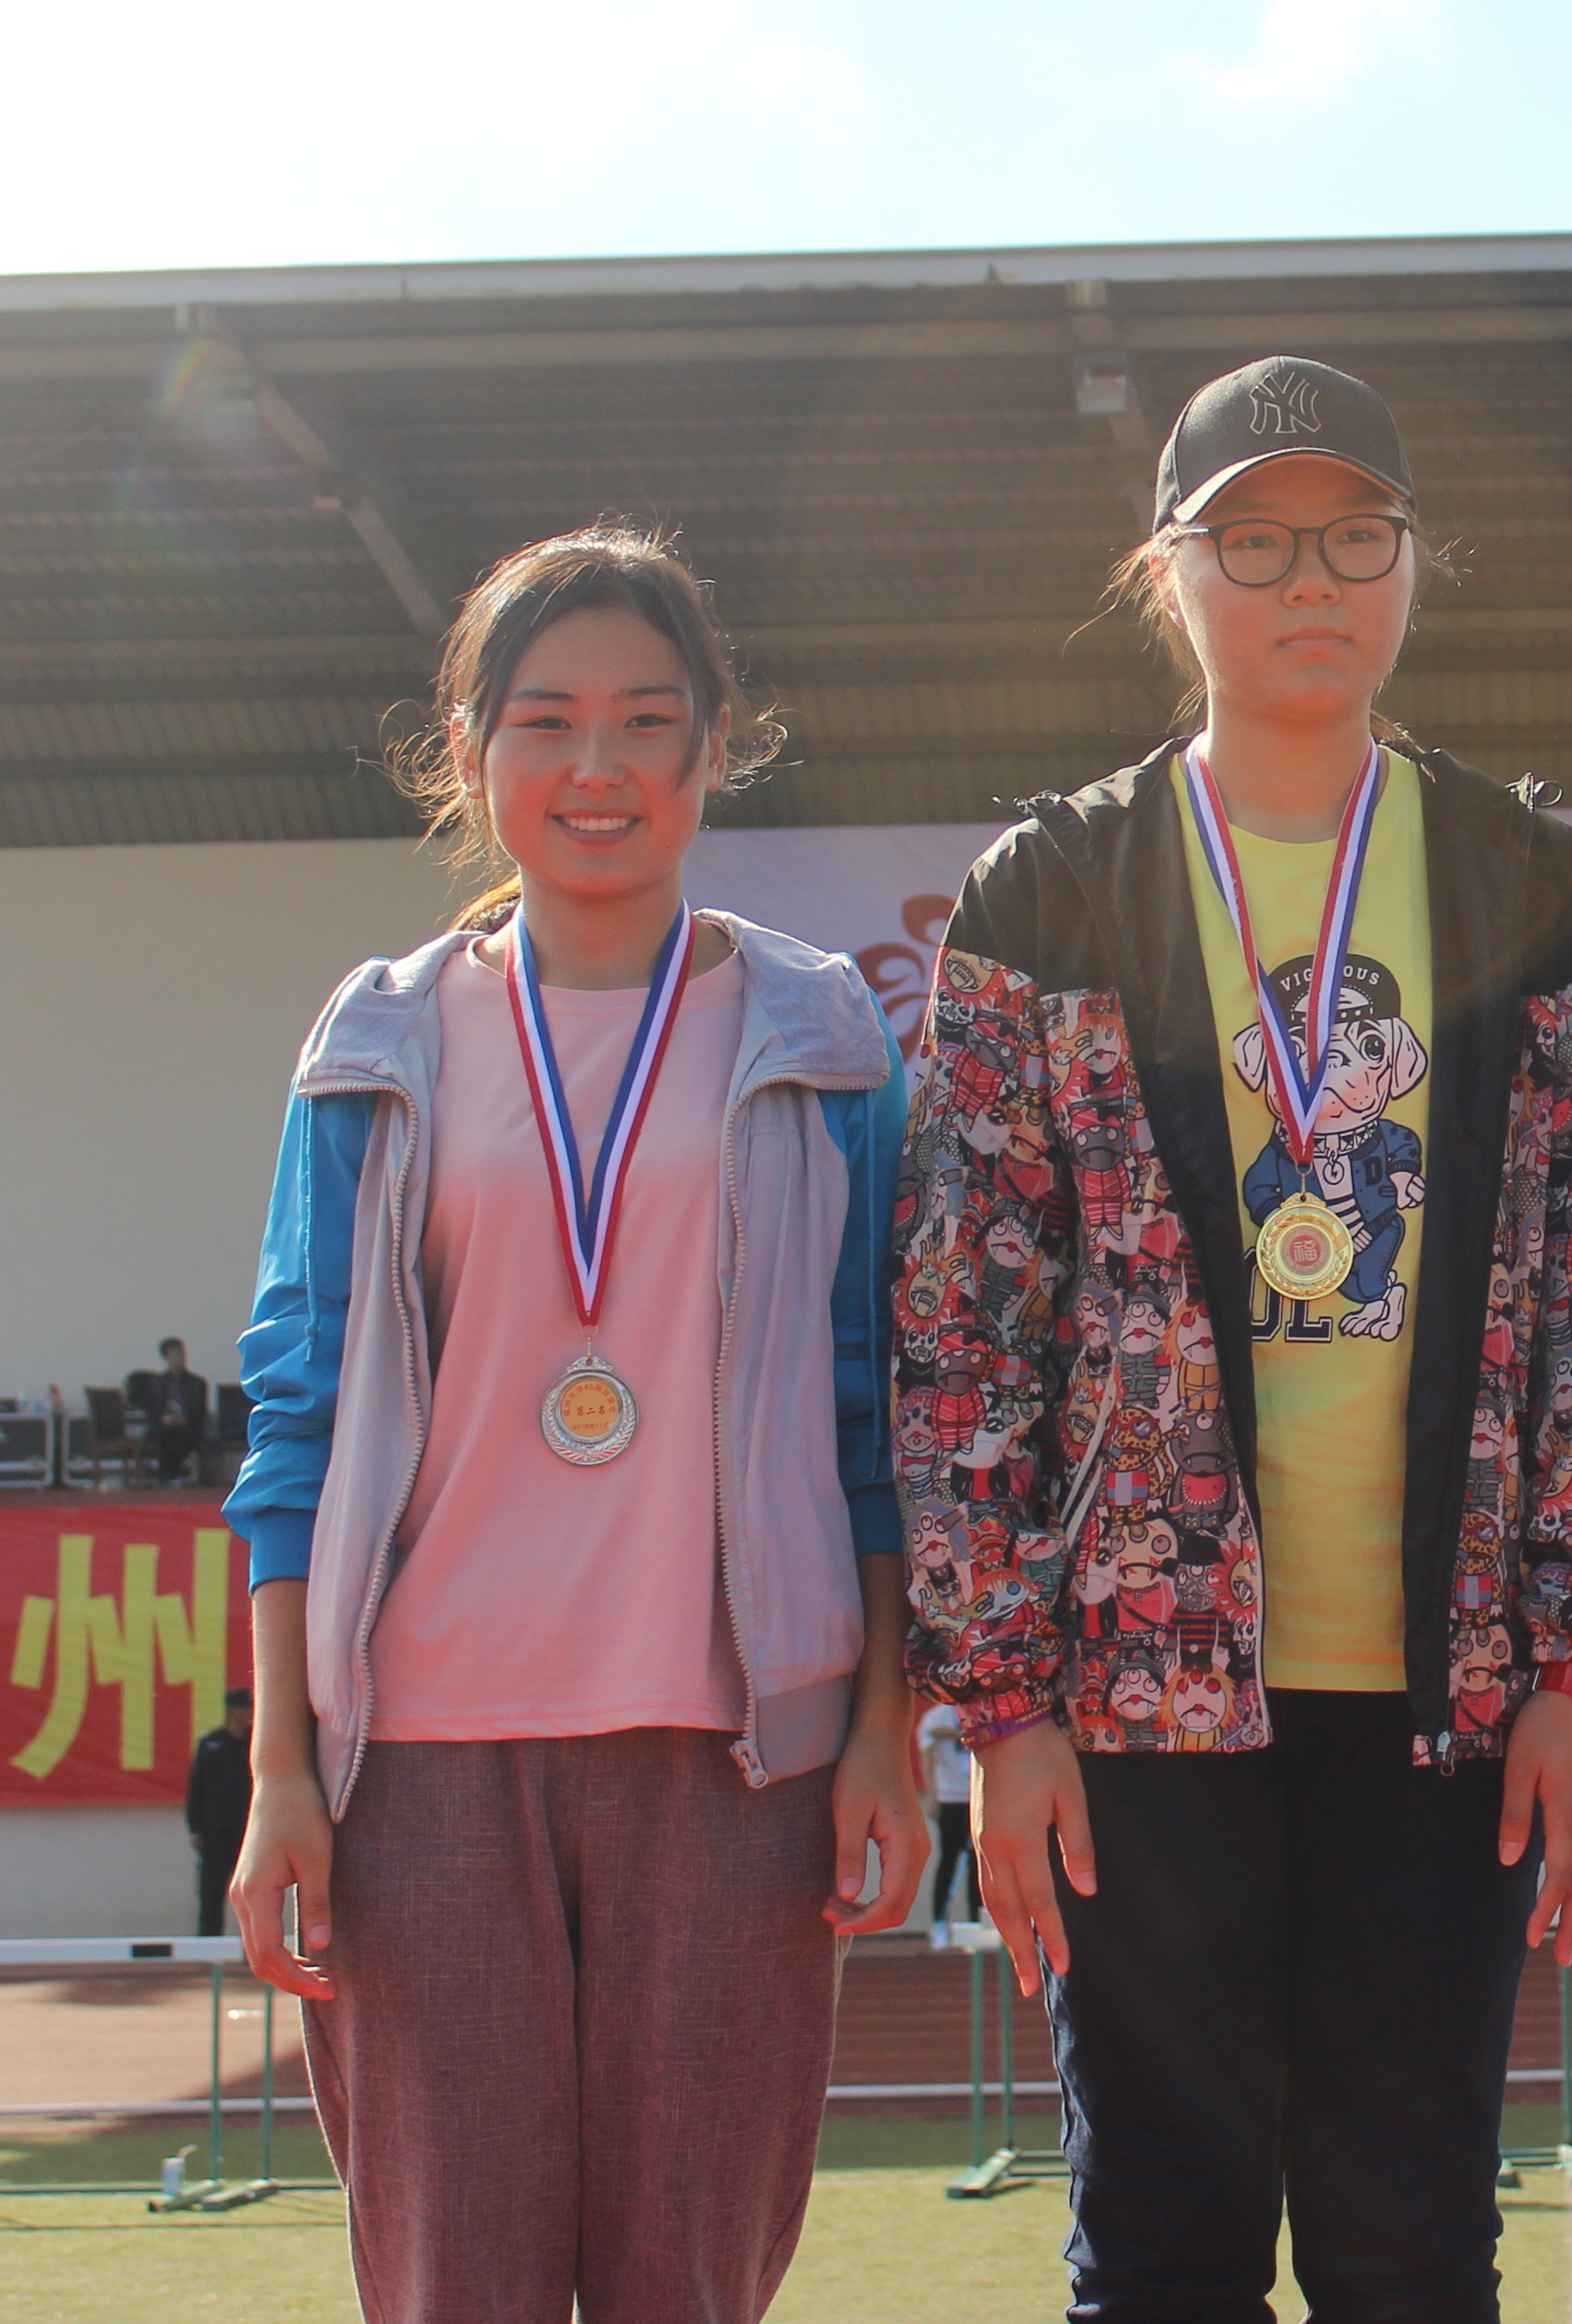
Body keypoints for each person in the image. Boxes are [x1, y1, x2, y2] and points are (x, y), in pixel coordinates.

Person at [891, 357, 1572, 2323]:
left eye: (1353, 535)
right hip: (1136, 1693)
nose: (1308, 578)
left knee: (1408, 2247)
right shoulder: (1054, 889)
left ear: (1414, 564)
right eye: (1252, 540)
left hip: (1450, 1690)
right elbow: (963, 1319)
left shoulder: (1519, 880)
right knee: (1161, 2248)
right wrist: (1001, 1703)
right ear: (1169, 571)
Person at [224, 524, 929, 2324]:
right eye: (543, 721)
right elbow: (294, 1417)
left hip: (735, 1751)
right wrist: (283, 1771)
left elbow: (877, 1406)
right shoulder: (380, 1039)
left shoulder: (824, 1035)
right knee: (455, 2286)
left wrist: (882, 1726)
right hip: (424, 1759)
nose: (594, 765)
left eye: (643, 719)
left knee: (689, 2287)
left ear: (715, 745)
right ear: (469, 754)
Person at [183, 1689, 251, 1937]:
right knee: (211, 1889)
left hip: (248, 1828)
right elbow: (197, 1788)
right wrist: (195, 1828)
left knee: (251, 1890)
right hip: (216, 1828)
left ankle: (254, 1947)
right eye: (245, 1708)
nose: (249, 1714)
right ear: (231, 1711)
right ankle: (208, 1946)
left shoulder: (256, 1741)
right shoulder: (211, 1743)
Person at [916, 1702, 973, 1928]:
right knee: (949, 1860)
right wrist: (932, 1795)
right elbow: (927, 1752)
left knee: (978, 1865)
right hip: (950, 1798)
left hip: (977, 1798)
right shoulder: (936, 1717)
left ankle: (977, 1922)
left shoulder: (982, 1711)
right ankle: (939, 1922)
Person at [136, 1336, 217, 1485]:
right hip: (164, 1426)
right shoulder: (156, 1384)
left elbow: (200, 1410)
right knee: (161, 1436)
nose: (180, 1357)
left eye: (181, 1353)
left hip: (188, 1426)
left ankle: (167, 1477)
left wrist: (184, 1419)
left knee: (184, 1438)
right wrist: (163, 1419)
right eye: (174, 1353)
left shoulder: (198, 1383)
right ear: (166, 1358)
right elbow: (151, 1410)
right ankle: (172, 1477)